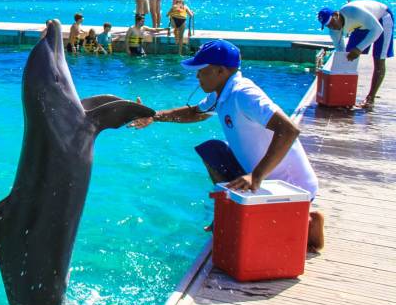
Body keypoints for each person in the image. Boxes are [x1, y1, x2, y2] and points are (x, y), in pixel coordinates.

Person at [130, 39, 324, 252]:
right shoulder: (221, 93)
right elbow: (195, 113)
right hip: (261, 176)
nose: (197, 76)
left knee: (259, 245)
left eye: (202, 70)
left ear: (220, 71)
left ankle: (308, 220)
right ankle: (228, 211)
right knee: (213, 151)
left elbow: (289, 130)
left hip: (290, 185)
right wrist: (154, 117)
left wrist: (256, 176)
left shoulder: (244, 94)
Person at [318, 0, 393, 108]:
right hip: (360, 25)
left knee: (379, 58)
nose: (332, 27)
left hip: (382, 18)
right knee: (347, 56)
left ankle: (370, 98)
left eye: (332, 22)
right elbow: (341, 51)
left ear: (336, 14)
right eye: (328, 26)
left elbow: (377, 29)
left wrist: (359, 48)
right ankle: (345, 96)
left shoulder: (354, 12)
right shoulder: (333, 30)